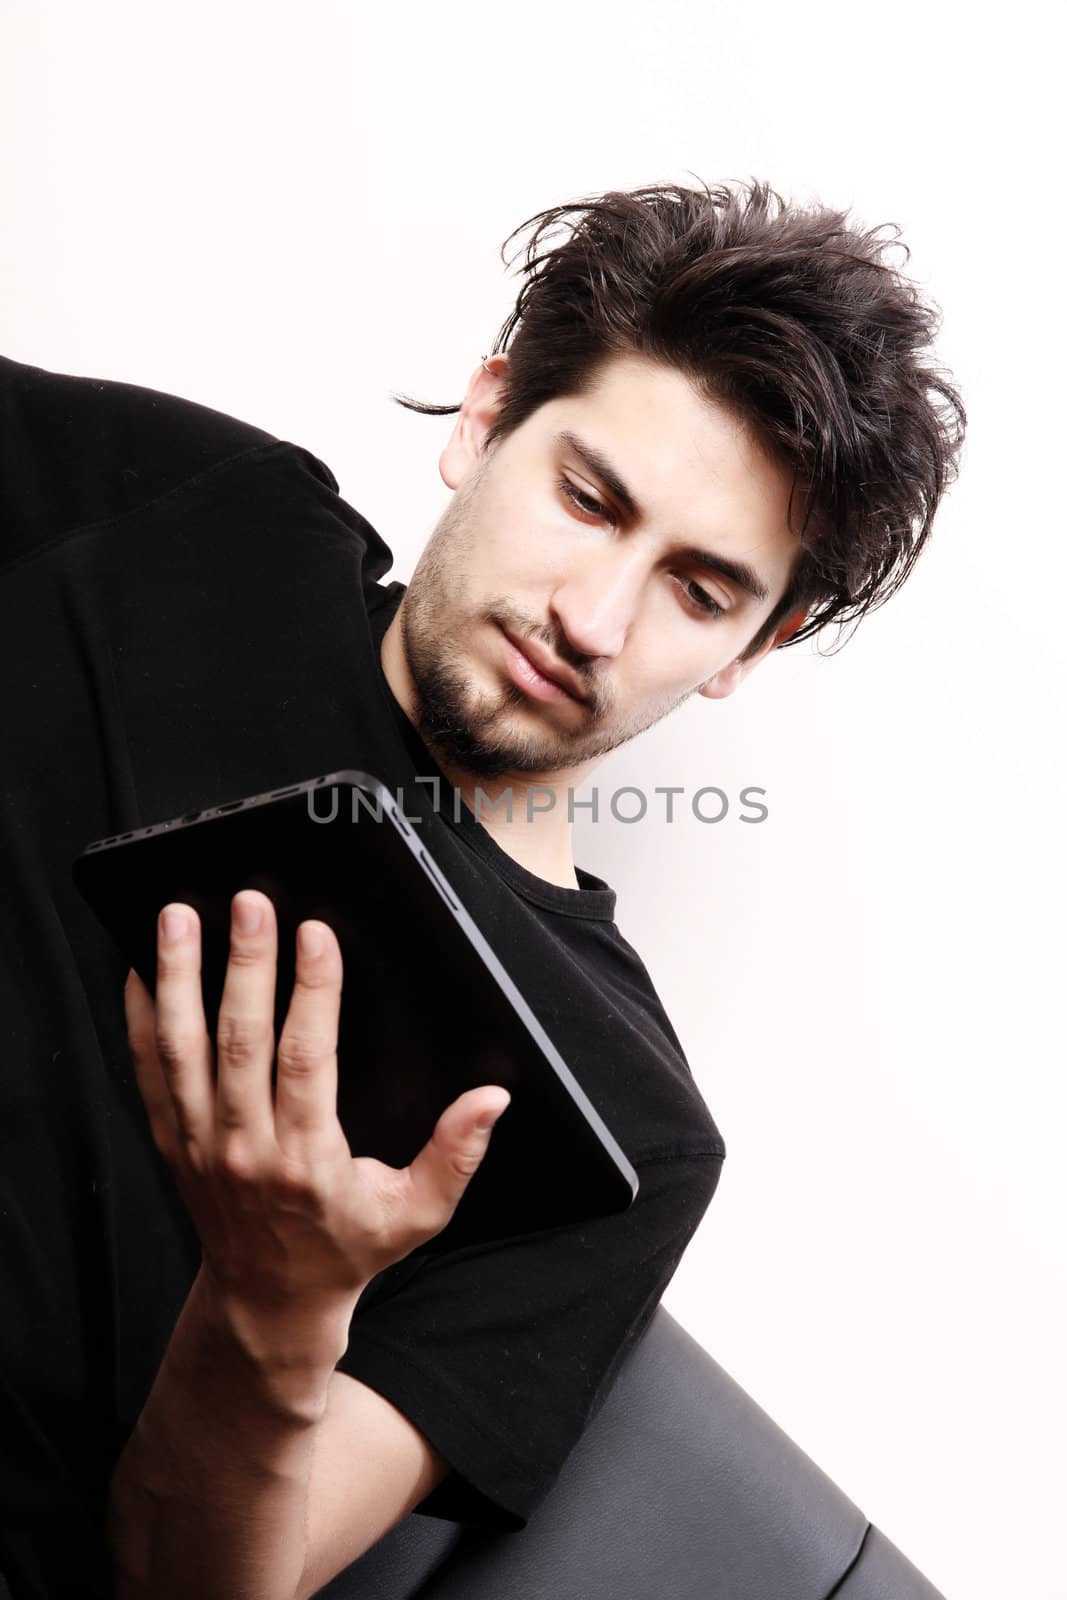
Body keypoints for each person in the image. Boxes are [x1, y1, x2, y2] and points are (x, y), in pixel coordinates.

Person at [0, 178, 965, 1599]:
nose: (593, 617)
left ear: (759, 644)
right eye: (588, 499)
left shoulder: (623, 1126)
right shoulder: (206, 514)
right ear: (486, 417)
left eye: (700, 590)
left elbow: (189, 1582)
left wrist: (276, 1305)